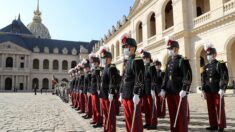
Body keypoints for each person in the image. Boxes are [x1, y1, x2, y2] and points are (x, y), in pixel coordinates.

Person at [160, 38, 192, 132]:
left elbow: (188, 76)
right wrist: (163, 88)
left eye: (171, 48)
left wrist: (184, 89)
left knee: (181, 115)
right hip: (170, 91)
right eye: (169, 49)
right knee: (172, 114)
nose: (169, 51)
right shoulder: (169, 62)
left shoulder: (182, 60)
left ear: (176, 49)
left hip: (179, 92)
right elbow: (165, 77)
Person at [201, 44, 228, 132]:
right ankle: (213, 124)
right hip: (209, 90)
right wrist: (203, 90)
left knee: (219, 108)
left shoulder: (219, 64)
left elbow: (224, 77)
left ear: (215, 55)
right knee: (211, 108)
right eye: (207, 55)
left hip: (217, 90)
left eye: (210, 54)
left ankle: (221, 125)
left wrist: (222, 88)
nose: (208, 56)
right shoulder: (206, 66)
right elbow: (204, 79)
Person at [120, 36, 145, 132]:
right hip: (126, 94)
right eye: (124, 47)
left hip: (133, 94)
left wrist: (137, 93)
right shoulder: (127, 61)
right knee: (128, 119)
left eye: (127, 46)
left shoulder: (137, 60)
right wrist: (121, 92)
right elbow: (123, 78)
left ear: (133, 47)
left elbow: (139, 78)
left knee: (136, 120)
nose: (125, 49)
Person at [99, 46, 119, 132]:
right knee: (105, 114)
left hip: (108, 94)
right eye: (103, 58)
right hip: (103, 94)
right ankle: (106, 128)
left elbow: (113, 81)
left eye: (105, 58)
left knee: (110, 115)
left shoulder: (112, 67)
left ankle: (111, 129)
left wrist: (111, 92)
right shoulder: (104, 69)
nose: (104, 60)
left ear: (110, 59)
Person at [138, 49, 153, 130]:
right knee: (146, 109)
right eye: (143, 58)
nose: (144, 60)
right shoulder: (144, 67)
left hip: (150, 91)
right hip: (144, 91)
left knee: (151, 108)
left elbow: (154, 79)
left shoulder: (151, 66)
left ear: (148, 58)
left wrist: (153, 89)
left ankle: (152, 123)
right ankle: (147, 122)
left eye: (145, 58)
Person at [89, 53, 103, 128]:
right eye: (92, 63)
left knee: (97, 107)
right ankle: (95, 119)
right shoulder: (94, 70)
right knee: (94, 106)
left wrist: (98, 89)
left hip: (96, 91)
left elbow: (98, 80)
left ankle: (99, 121)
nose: (93, 64)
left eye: (94, 63)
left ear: (97, 63)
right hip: (93, 90)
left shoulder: (98, 69)